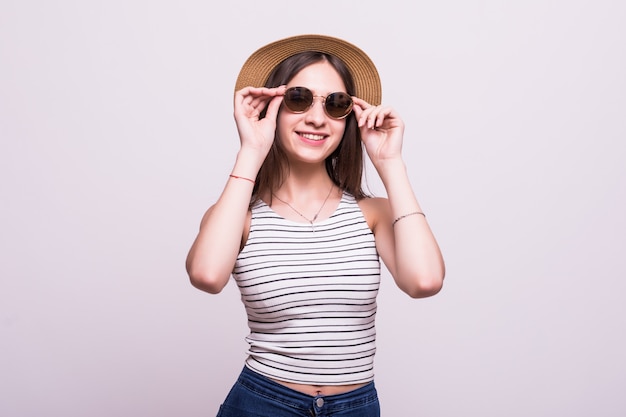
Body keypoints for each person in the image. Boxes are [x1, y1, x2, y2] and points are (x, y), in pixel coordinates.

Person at [186, 34, 445, 416]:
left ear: (349, 119)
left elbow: (425, 282)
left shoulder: (372, 213)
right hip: (263, 403)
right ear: (271, 106)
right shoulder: (237, 215)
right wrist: (251, 149)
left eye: (336, 104)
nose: (317, 118)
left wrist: (390, 164)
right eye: (298, 99)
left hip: (355, 407)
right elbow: (206, 275)